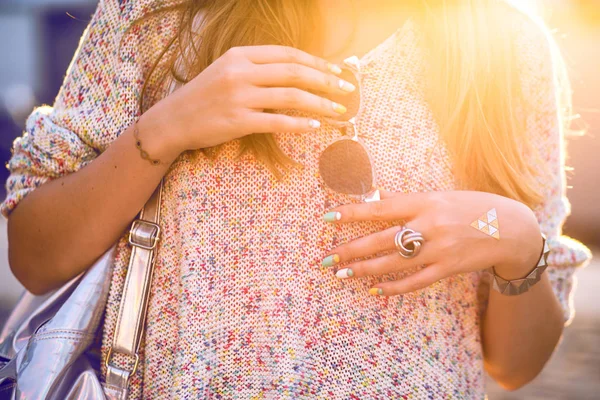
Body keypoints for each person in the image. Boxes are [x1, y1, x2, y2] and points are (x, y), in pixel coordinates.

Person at [2, 0, 591, 398]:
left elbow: (514, 364)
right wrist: (168, 127)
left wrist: (514, 237)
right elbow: (36, 255)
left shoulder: (504, 48)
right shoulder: (163, 16)